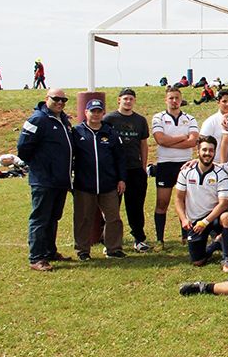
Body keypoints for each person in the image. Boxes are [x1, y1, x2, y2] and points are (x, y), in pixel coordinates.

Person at [17, 88, 74, 271]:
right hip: (44, 179)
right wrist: (41, 166)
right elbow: (23, 147)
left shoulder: (64, 120)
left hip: (60, 180)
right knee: (40, 218)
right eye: (56, 99)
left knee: (53, 217)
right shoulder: (37, 119)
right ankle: (37, 257)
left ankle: (50, 251)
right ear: (47, 98)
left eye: (63, 100)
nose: (60, 102)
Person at [70, 98, 127, 260]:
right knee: (83, 218)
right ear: (85, 112)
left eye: (99, 111)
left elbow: (119, 158)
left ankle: (113, 248)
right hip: (84, 185)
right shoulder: (77, 132)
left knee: (113, 217)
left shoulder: (111, 133)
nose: (96, 115)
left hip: (108, 184)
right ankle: (82, 251)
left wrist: (121, 179)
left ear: (103, 113)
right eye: (92, 111)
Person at [174, 136, 228, 271]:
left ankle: (226, 258)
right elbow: (178, 198)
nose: (207, 153)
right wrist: (184, 219)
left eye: (211, 150)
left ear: (215, 152)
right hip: (195, 221)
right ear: (197, 152)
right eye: (204, 150)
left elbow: (224, 203)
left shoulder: (221, 173)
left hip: (213, 217)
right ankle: (217, 244)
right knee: (198, 261)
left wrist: (205, 222)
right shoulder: (186, 172)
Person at [104, 87, 152, 252]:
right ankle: (110, 242)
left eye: (131, 99)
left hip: (134, 169)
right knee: (112, 208)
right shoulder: (109, 119)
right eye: (125, 99)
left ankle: (139, 239)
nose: (128, 102)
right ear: (119, 100)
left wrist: (143, 166)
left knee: (136, 207)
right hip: (114, 170)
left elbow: (143, 144)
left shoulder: (139, 120)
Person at [151, 86, 199, 248]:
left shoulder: (190, 118)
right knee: (162, 202)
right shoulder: (158, 118)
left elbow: (193, 141)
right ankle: (160, 239)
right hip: (165, 165)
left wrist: (171, 141)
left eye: (176, 98)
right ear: (166, 100)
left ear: (180, 99)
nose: (174, 101)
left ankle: (186, 236)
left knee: (185, 202)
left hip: (184, 164)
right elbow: (161, 140)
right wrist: (182, 138)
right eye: (171, 98)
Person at [198, 88, 228, 163]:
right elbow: (201, 144)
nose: (227, 104)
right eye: (224, 101)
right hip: (215, 163)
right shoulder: (210, 122)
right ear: (218, 103)